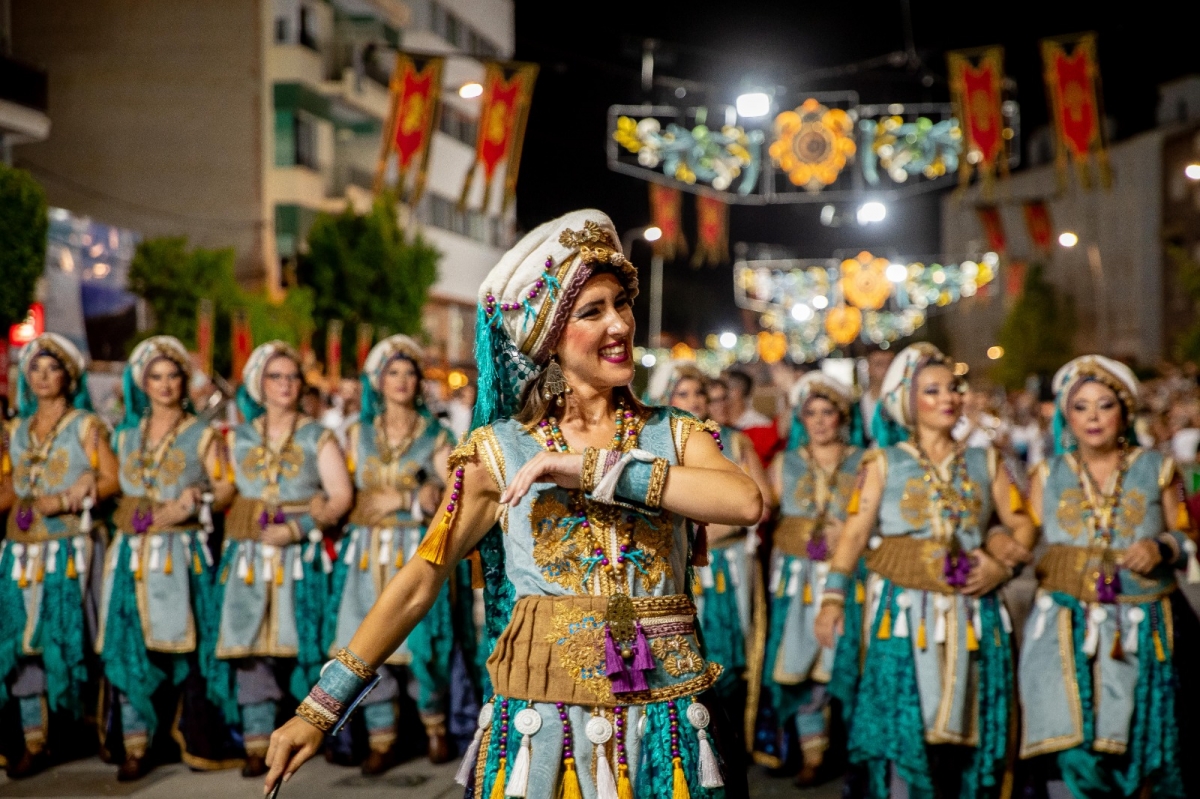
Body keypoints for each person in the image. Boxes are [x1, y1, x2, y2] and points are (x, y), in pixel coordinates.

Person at [264, 210, 763, 798]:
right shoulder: (496, 453)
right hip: (545, 725)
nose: (619, 325)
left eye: (620, 305)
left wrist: (593, 469)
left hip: (668, 720)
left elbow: (743, 500)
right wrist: (321, 707)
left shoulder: (675, 433)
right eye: (592, 311)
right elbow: (421, 579)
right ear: (549, 336)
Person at [814, 342, 1032, 798]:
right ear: (905, 401)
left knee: (975, 726)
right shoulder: (882, 462)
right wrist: (832, 598)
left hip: (975, 610)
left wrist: (999, 564)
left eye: (954, 388)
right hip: (903, 612)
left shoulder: (985, 460)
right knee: (902, 723)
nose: (948, 398)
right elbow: (853, 534)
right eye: (932, 391)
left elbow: (1022, 524)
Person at [1014, 355, 1196, 798]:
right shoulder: (1046, 474)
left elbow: (1187, 532)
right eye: (1080, 407)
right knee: (1072, 738)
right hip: (1063, 623)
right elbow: (1023, 534)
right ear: (1065, 416)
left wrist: (1162, 546)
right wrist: (999, 549)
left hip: (1147, 623)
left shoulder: (1159, 468)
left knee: (1145, 738)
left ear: (1125, 412)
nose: (1092, 417)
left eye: (1104, 405)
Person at [96, 336, 237, 779]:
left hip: (181, 555)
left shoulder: (204, 434)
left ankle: (194, 736)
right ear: (142, 383)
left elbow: (228, 487)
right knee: (128, 644)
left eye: (173, 375)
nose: (164, 384)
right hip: (130, 556)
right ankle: (136, 746)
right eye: (155, 377)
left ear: (184, 381)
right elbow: (107, 484)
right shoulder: (122, 434)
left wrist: (198, 501)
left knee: (187, 648)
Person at [331, 334, 473, 772]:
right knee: (365, 644)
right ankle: (381, 740)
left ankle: (434, 728)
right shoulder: (354, 432)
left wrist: (407, 500)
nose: (402, 380)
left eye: (410, 372)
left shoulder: (437, 433)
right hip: (364, 551)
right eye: (393, 372)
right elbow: (336, 493)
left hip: (414, 551)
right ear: (378, 380)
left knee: (422, 646)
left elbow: (455, 494)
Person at [215, 341, 353, 777]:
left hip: (301, 554)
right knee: (249, 644)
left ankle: (319, 734)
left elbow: (341, 497)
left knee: (309, 642)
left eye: (293, 377)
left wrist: (298, 529)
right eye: (276, 377)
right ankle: (257, 745)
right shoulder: (237, 436)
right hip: (249, 556)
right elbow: (222, 491)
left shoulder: (318, 435)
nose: (286, 385)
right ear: (259, 383)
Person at [0, 333, 121, 778]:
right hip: (20, 549)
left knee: (75, 638)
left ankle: (95, 730)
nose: (43, 376)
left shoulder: (86, 425)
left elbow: (112, 479)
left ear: (69, 377)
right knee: (23, 642)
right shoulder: (16, 430)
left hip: (71, 548)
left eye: (52, 368)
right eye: (35, 368)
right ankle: (35, 740)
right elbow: (12, 488)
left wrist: (73, 496)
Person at [653, 361, 771, 753]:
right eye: (682, 394)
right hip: (678, 567)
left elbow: (762, 501)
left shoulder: (734, 441)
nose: (693, 401)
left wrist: (718, 521)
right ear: (668, 399)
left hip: (729, 563)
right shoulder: (656, 444)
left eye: (699, 393)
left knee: (733, 654)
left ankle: (734, 740)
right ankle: (693, 743)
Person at [758, 371, 866, 786]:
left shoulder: (863, 461)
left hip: (846, 575)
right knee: (798, 665)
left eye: (828, 413)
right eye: (811, 413)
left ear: (842, 417)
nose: (820, 421)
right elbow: (763, 508)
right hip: (795, 577)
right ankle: (813, 756)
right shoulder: (786, 462)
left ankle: (853, 755)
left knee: (844, 661)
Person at [858, 348, 895, 446]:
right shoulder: (856, 406)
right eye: (879, 364)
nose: (886, 369)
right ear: (869, 369)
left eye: (890, 364)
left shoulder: (903, 403)